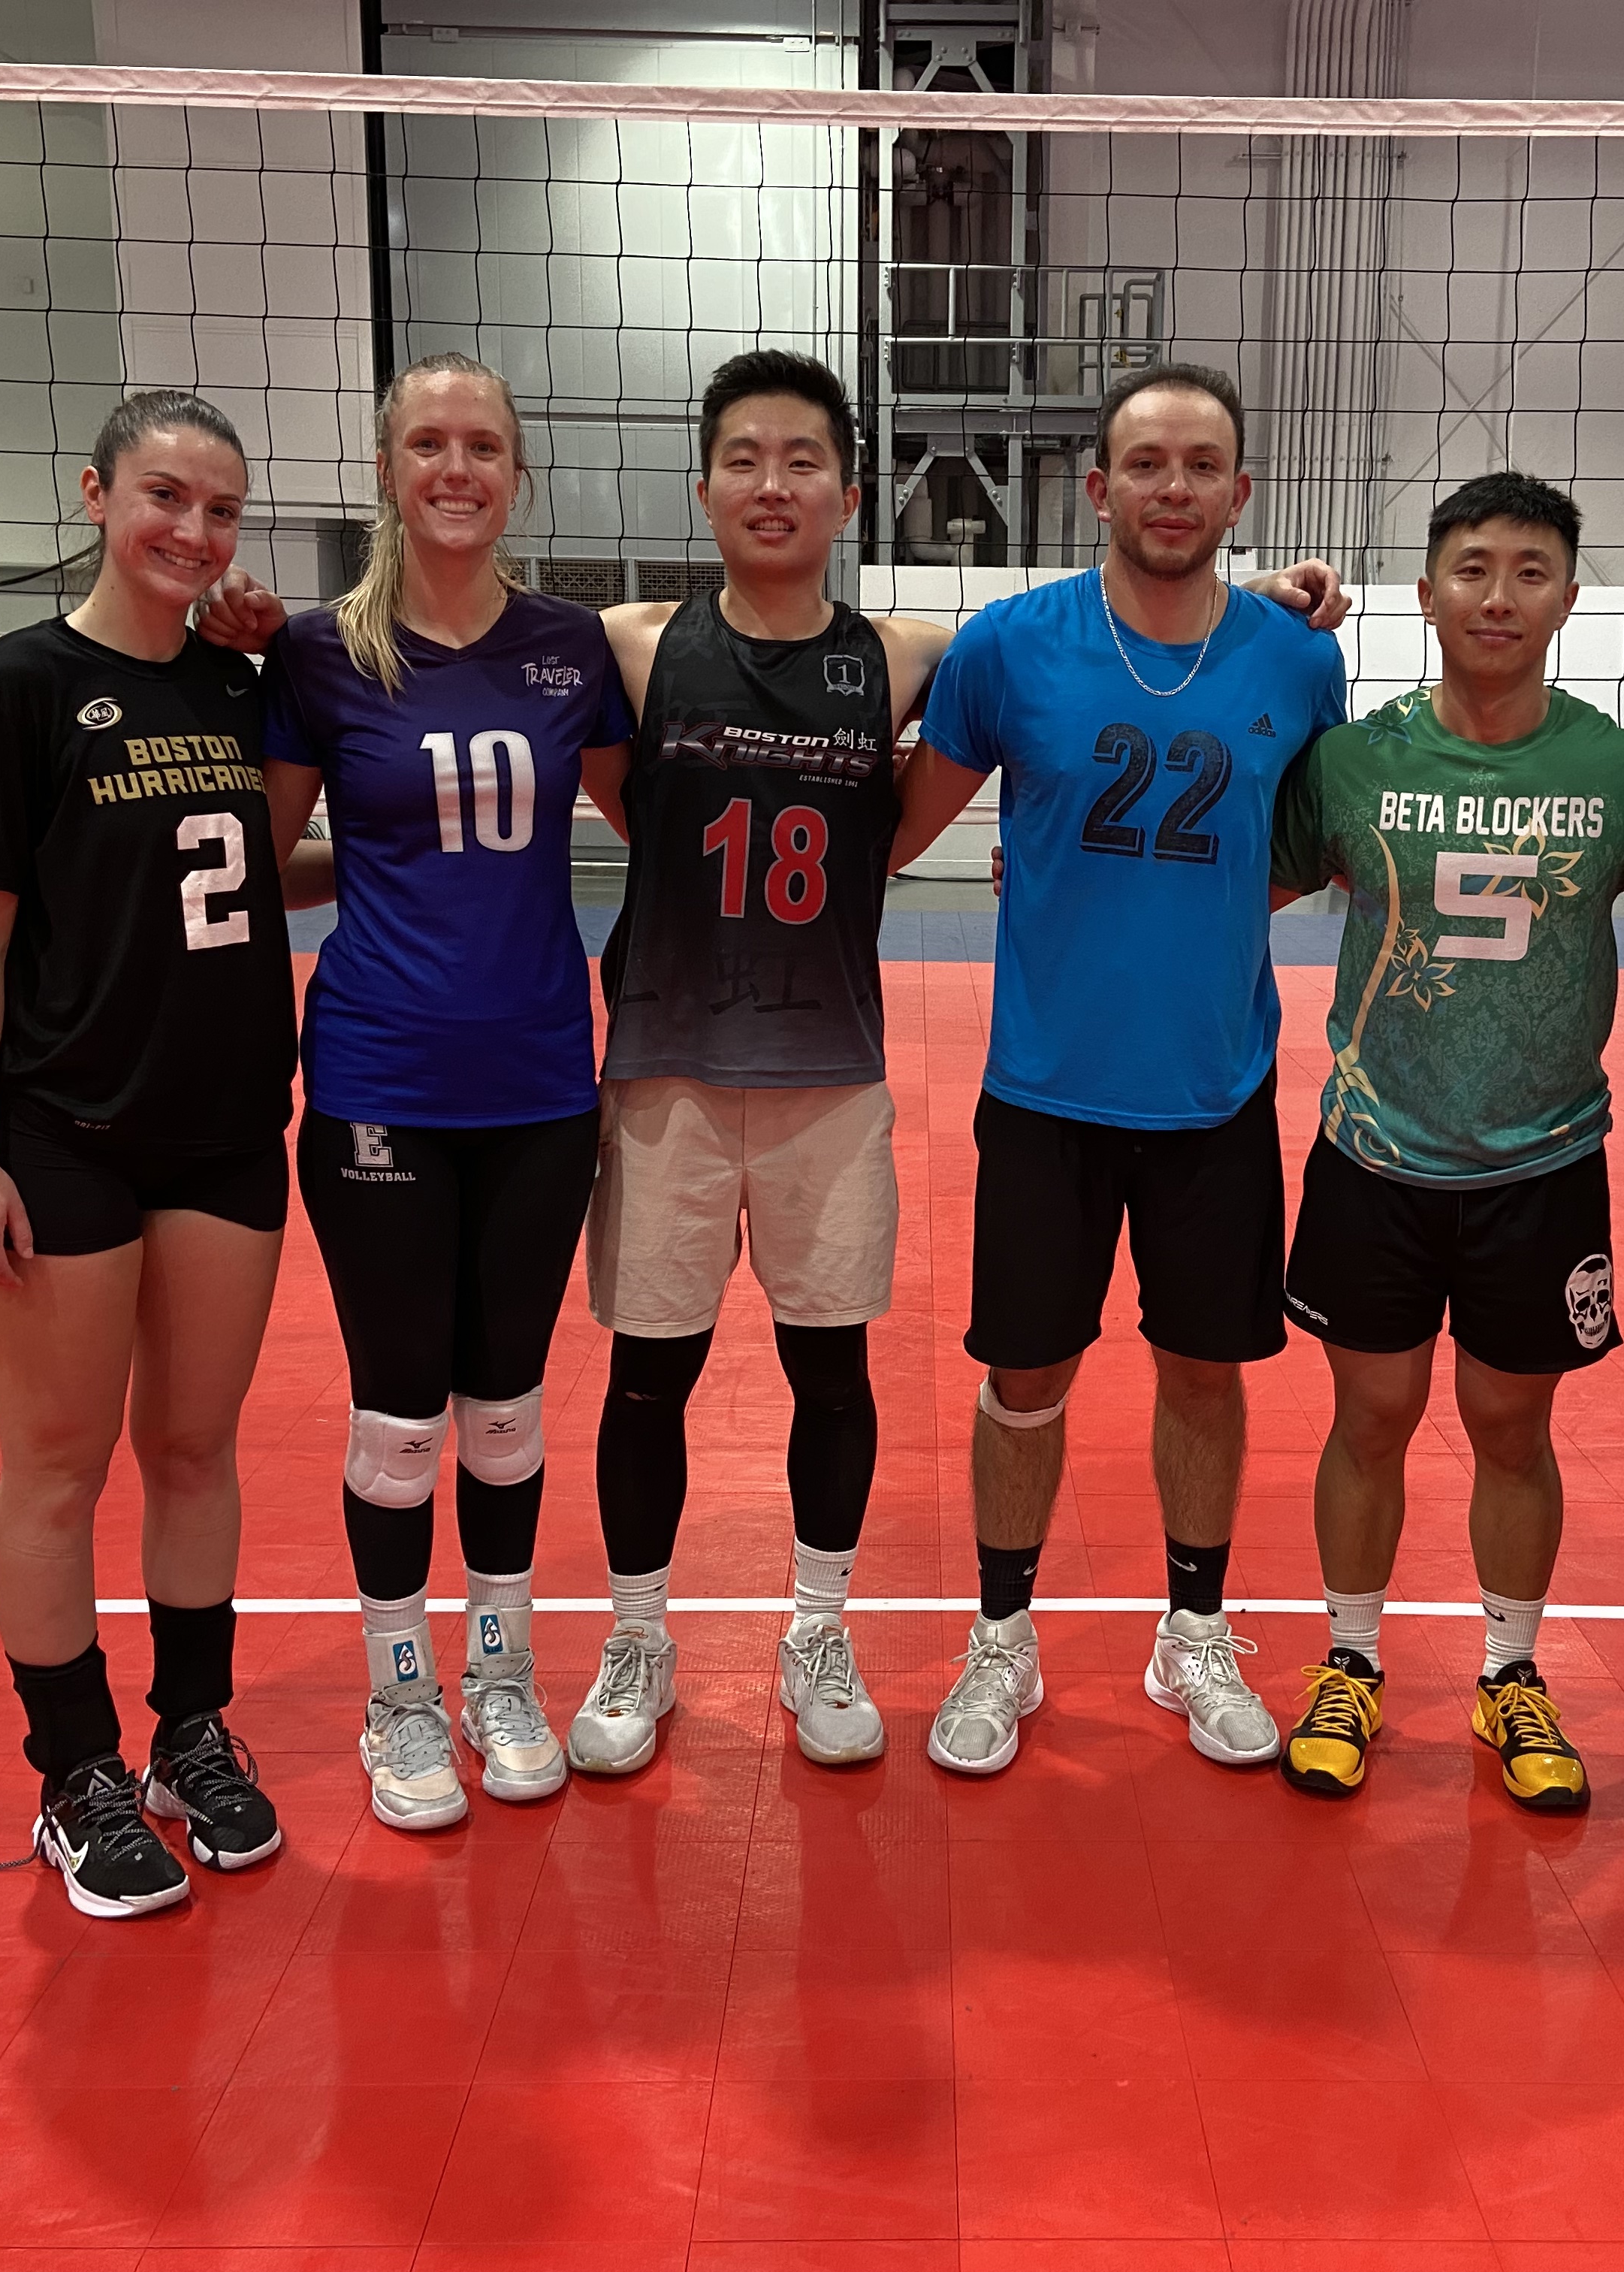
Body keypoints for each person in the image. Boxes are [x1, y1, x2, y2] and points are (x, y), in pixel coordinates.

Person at [892, 361, 1351, 1777]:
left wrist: (1195, 907)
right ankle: (1002, 1639)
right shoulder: (1010, 646)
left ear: (1240, 491)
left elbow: (1315, 848)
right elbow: (896, 835)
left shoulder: (1298, 660)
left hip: (1214, 1090)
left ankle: (1191, 1634)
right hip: (1045, 1090)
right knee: (1024, 1377)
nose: (1173, 487)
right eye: (1145, 463)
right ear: (1097, 487)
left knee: (1205, 1374)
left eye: (1201, 464)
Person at [1267, 472, 1624, 1809]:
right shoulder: (1351, 763)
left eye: (1529, 571)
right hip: (1375, 1153)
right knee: (1371, 1413)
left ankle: (1511, 1674)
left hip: (1544, 1163)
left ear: (1568, 598)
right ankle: (1351, 1659)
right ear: (1426, 594)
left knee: (1513, 1427)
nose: (1499, 595)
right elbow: (1232, 888)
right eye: (1472, 568)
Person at [252, 352, 635, 1829]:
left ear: (516, 474)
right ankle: (399, 1692)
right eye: (428, 443)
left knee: (509, 1409)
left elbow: (655, 817)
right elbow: (267, 858)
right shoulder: (317, 655)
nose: (456, 468)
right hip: (381, 1079)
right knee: (400, 1413)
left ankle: (501, 1671)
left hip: (539, 1080)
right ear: (387, 469)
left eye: (482, 445)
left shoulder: (569, 647)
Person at [0, 388, 292, 1920]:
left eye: (221, 510)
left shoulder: (239, 688)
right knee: (59, 1465)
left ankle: (188, 1735)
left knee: (196, 1449)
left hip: (227, 1130)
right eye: (165, 497)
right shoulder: (16, 686)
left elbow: (267, 866)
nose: (194, 533)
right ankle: (75, 1772)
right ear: (95, 495)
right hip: (64, 1132)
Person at [560, 351, 949, 1773]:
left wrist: (1272, 602)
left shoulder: (904, 656)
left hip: (828, 1077)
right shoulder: (629, 645)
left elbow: (1083, 634)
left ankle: (818, 1630)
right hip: (666, 1065)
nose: (772, 484)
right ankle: (640, 1637)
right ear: (704, 486)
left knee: (830, 1371)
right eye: (744, 458)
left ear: (848, 492)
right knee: (646, 1378)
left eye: (803, 461)